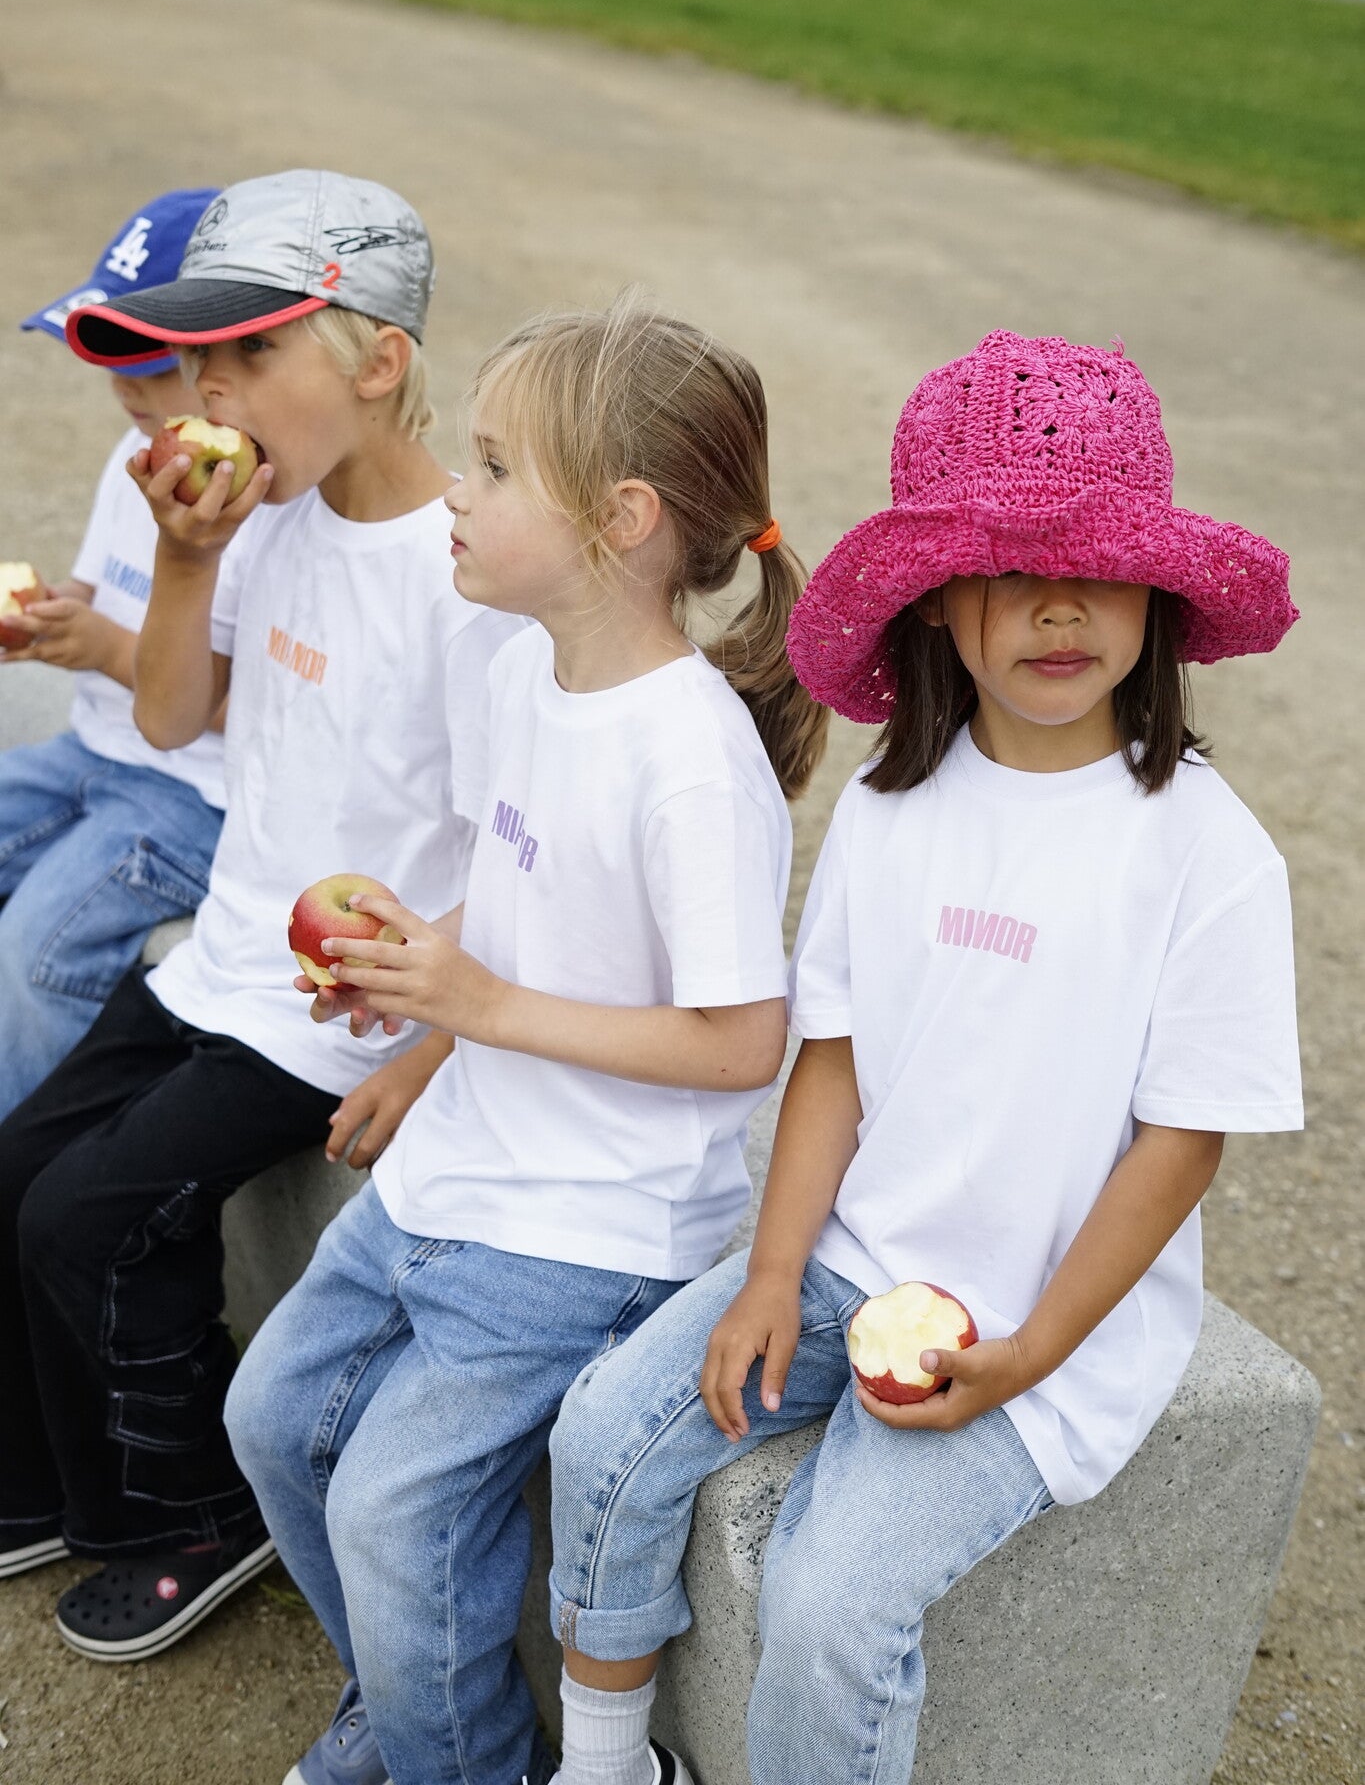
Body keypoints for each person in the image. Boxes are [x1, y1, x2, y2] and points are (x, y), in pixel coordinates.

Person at [543, 327, 1303, 1785]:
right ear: (936, 606)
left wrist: (1033, 1353)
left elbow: (1178, 1145)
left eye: (1096, 561)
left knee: (831, 1603)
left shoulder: (1206, 854)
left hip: (1040, 1322)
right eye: (1006, 567)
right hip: (852, 1263)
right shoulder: (896, 813)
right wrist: (774, 1275)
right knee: (606, 1435)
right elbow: (830, 1060)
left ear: (1159, 589)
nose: (1058, 605)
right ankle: (603, 1761)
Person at [225, 299, 829, 1785]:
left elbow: (745, 1040)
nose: (454, 491)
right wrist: (418, 1008)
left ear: (622, 520)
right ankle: (401, 1698)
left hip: (586, 1233)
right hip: (455, 1172)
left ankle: (461, 1759)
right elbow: (510, 904)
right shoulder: (514, 672)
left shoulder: (691, 761)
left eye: (492, 469)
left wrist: (478, 1008)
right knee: (271, 1418)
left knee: (390, 1511)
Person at [0, 170, 519, 1665]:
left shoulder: (466, 575)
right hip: (224, 958)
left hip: (337, 1008)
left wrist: (432, 1044)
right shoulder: (264, 522)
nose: (204, 394)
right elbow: (171, 717)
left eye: (248, 358)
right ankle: (45, 1483)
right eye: (197, 362)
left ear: (379, 361)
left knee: (92, 1218)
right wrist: (185, 558)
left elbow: (518, 843)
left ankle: (195, 1515)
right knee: (18, 1164)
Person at [0, 187, 233, 1116]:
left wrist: (99, 646)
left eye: (151, 362)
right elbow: (99, 592)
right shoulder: (131, 452)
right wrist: (54, 618)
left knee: (38, 947)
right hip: (90, 752)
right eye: (108, 356)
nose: (126, 389)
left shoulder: (257, 496)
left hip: (193, 796)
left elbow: (232, 707)